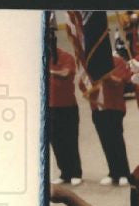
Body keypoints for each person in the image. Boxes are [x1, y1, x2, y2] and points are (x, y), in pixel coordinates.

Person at [81, 53, 132, 186]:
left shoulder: (116, 61)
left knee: (117, 140)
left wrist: (105, 75)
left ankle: (124, 173)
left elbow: (121, 80)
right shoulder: (91, 63)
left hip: (114, 106)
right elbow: (83, 83)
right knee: (106, 141)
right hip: (97, 107)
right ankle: (113, 172)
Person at [47, 25, 83, 186]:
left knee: (70, 140)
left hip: (67, 107)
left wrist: (48, 71)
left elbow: (66, 73)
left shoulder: (66, 57)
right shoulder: (43, 59)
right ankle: (64, 172)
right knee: (56, 141)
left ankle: (75, 172)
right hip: (50, 107)